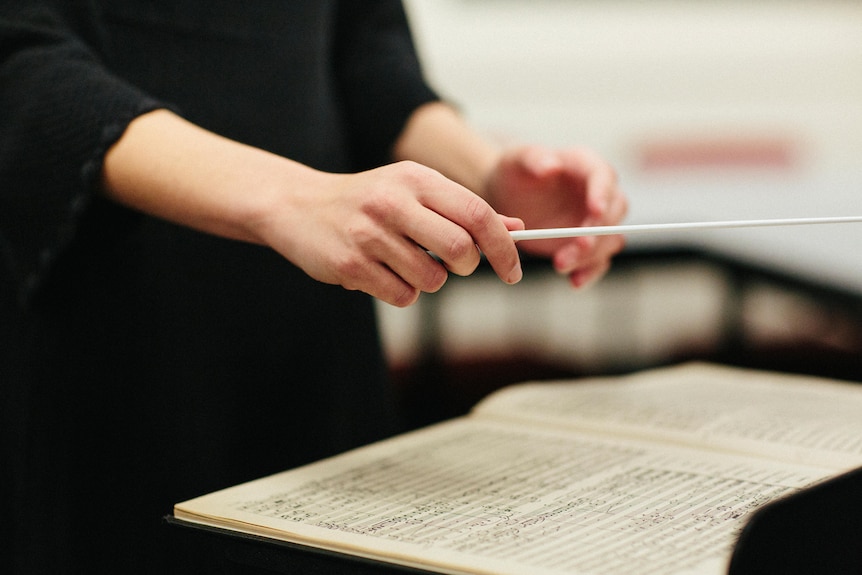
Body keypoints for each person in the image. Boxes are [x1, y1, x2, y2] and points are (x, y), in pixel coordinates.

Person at [0, 1, 627, 573]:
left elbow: (362, 46)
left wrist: (485, 175)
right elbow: (20, 61)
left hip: (314, 351)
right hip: (104, 345)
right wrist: (291, 198)